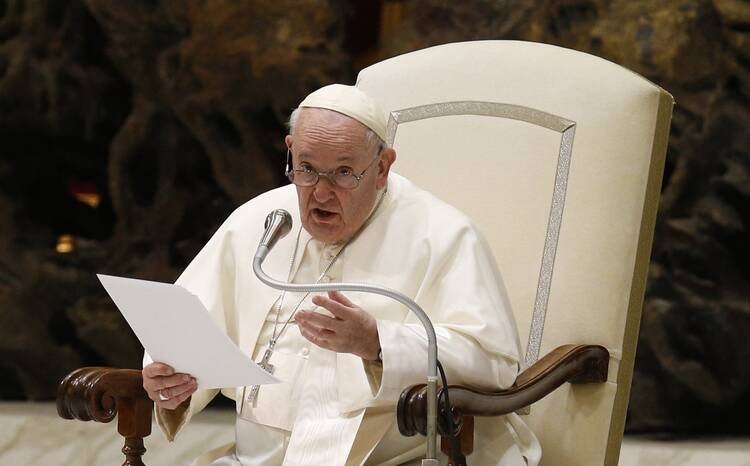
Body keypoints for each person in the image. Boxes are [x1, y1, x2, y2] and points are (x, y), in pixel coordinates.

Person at [142, 84, 541, 465]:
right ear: (291, 152)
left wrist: (379, 344)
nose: (320, 193)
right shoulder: (261, 220)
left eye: (344, 173)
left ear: (382, 167)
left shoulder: (444, 235)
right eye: (307, 169)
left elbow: (492, 364)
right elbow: (185, 327)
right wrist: (170, 379)